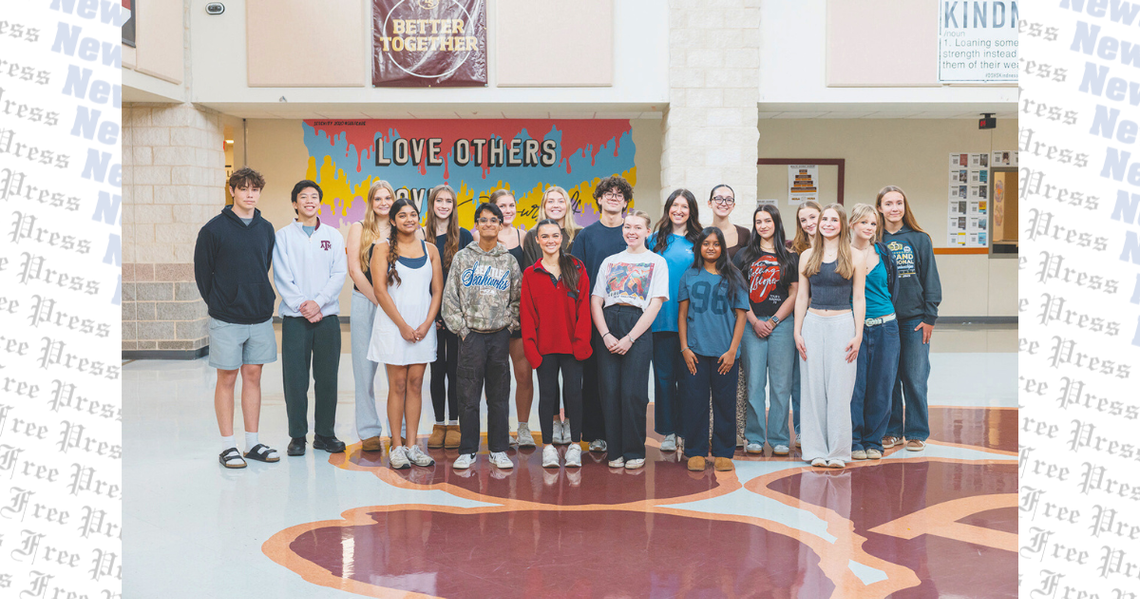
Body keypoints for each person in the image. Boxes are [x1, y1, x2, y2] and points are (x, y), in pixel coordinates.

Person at [193, 167, 279, 468]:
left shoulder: (265, 228)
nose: (249, 194)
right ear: (232, 191)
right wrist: (222, 302)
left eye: (254, 189)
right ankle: (228, 446)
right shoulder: (213, 230)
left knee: (253, 377)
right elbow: (203, 276)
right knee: (227, 378)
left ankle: (252, 443)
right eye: (243, 189)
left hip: (259, 316)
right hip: (227, 317)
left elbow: (263, 265)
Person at [443, 202, 524, 470]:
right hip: (471, 337)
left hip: (500, 335)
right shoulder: (463, 258)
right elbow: (450, 300)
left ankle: (498, 449)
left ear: (501, 225)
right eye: (483, 220)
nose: (489, 224)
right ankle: (468, 450)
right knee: (468, 394)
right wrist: (463, 330)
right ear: (476, 225)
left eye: (494, 220)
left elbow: (518, 299)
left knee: (499, 394)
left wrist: (509, 326)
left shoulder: (509, 260)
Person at [273, 180, 348, 457]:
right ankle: (297, 436)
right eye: (303, 197)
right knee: (295, 379)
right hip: (295, 319)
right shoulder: (283, 236)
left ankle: (325, 434)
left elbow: (339, 274)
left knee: (327, 378)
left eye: (314, 197)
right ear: (295, 203)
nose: (308, 201)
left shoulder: (333, 235)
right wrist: (303, 305)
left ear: (320, 202)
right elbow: (281, 275)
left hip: (327, 318)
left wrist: (318, 303)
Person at [590, 209, 668, 470]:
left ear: (648, 231)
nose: (631, 232)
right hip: (609, 323)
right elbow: (596, 300)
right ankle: (615, 450)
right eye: (627, 227)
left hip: (638, 325)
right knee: (609, 391)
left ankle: (634, 450)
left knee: (633, 393)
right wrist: (606, 334)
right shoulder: (610, 261)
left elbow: (655, 304)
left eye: (638, 227)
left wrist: (630, 338)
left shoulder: (657, 262)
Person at [369, 198, 443, 469]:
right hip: (393, 326)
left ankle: (412, 445)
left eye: (413, 214)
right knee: (398, 385)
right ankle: (396, 445)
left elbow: (437, 291)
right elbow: (379, 291)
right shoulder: (381, 248)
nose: (409, 219)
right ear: (392, 221)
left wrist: (426, 323)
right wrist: (402, 325)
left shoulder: (430, 249)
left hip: (422, 328)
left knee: (415, 384)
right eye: (402, 215)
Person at [794, 203, 865, 469]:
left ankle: (837, 451)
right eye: (825, 219)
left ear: (843, 224)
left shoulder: (855, 256)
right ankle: (815, 450)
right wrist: (797, 331)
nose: (828, 224)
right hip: (812, 324)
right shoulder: (807, 255)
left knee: (839, 389)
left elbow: (859, 298)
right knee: (812, 389)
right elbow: (802, 296)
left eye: (834, 220)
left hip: (842, 323)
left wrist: (858, 334)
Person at [521, 220, 592, 469]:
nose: (550, 240)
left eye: (555, 235)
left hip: (573, 347)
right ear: (537, 240)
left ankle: (574, 446)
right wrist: (532, 352)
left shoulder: (576, 267)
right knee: (547, 396)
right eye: (545, 236)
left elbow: (584, 308)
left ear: (562, 238)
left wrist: (582, 343)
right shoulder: (531, 274)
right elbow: (527, 316)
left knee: (574, 395)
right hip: (544, 349)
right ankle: (548, 447)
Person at [678, 228, 749, 472]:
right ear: (699, 247)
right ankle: (695, 451)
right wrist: (685, 348)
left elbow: (741, 317)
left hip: (724, 355)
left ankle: (723, 451)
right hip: (696, 353)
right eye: (706, 243)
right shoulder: (689, 275)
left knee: (724, 403)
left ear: (722, 248)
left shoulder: (735, 276)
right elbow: (682, 315)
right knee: (695, 403)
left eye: (716, 244)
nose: (711, 248)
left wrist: (732, 351)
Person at [570, 175, 633, 454]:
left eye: (620, 194)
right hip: (594, 316)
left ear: (626, 202)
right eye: (608, 192)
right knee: (595, 378)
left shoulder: (631, 234)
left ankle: (624, 432)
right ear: (598, 199)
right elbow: (575, 276)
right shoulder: (586, 235)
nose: (613, 196)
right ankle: (596, 433)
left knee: (626, 378)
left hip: (630, 316)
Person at [877, 186, 942, 452]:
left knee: (915, 377)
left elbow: (931, 280)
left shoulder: (919, 238)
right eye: (888, 203)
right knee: (888, 378)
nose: (894, 208)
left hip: (915, 320)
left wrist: (930, 317)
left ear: (905, 206)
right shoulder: (874, 238)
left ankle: (916, 431)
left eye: (899, 203)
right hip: (884, 320)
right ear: (879, 207)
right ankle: (892, 430)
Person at [733, 205, 798, 457]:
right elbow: (739, 293)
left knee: (781, 386)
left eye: (767, 221)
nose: (763, 225)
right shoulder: (743, 256)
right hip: (752, 325)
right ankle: (755, 437)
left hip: (782, 325)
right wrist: (754, 321)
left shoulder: (789, 257)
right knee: (755, 384)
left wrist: (773, 321)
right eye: (758, 221)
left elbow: (794, 293)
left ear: (776, 223)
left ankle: (780, 437)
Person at [521, 185, 581, 444]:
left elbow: (579, 279)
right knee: (548, 385)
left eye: (561, 200)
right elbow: (532, 281)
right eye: (550, 201)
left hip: (569, 319)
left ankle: (571, 425)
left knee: (572, 386)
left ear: (567, 205)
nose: (555, 205)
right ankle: (554, 423)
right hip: (544, 321)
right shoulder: (532, 237)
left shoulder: (578, 235)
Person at [646, 189, 701, 453]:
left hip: (692, 322)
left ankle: (687, 430)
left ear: (692, 210)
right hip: (660, 320)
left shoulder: (700, 240)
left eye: (684, 206)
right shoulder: (654, 240)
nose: (679, 210)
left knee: (689, 379)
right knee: (664, 377)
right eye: (674, 205)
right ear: (668, 208)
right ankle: (668, 432)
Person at [421, 184, 473, 450]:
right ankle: (438, 423)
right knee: (436, 369)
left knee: (455, 370)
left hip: (455, 316)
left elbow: (467, 279)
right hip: (429, 315)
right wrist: (433, 314)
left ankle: (454, 423)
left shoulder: (463, 236)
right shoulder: (419, 235)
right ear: (431, 204)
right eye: (439, 200)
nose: (443, 205)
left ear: (453, 206)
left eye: (448, 201)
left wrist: (452, 313)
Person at [848, 203, 899, 461]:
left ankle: (873, 441)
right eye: (864, 222)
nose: (869, 228)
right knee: (855, 387)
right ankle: (855, 440)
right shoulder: (843, 253)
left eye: (873, 224)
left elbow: (893, 287)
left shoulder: (884, 253)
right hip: (854, 328)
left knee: (881, 386)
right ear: (852, 224)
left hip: (885, 327)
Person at [347, 180, 394, 453]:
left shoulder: (403, 227)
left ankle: (398, 430)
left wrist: (390, 306)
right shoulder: (359, 228)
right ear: (370, 202)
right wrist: (379, 300)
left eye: (388, 198)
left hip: (394, 305)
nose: (383, 203)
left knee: (396, 370)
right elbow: (354, 270)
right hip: (365, 301)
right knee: (364, 371)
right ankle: (369, 431)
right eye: (378, 199)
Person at [486, 189, 536, 447]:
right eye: (502, 206)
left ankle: (524, 428)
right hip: (490, 320)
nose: (507, 210)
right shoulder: (479, 237)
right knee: (496, 376)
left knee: (523, 374)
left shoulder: (524, 237)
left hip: (518, 317)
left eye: (511, 205)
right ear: (493, 209)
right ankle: (499, 428)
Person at [707, 184, 751, 447]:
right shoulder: (701, 234)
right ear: (710, 202)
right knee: (709, 373)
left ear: (734, 204)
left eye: (728, 199)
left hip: (738, 311)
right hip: (709, 312)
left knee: (737, 375)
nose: (723, 202)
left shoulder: (746, 235)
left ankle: (735, 432)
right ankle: (710, 430)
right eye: (718, 198)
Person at [789, 200, 822, 448]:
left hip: (831, 319)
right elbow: (798, 293)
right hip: (801, 319)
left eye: (813, 217)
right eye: (804, 220)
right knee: (800, 381)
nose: (809, 223)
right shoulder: (795, 252)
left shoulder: (839, 247)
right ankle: (801, 430)